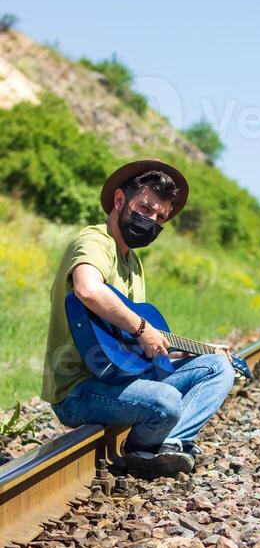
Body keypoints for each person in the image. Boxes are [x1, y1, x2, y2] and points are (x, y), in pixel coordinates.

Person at [41, 158, 235, 477]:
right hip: (79, 388)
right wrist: (144, 327)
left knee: (219, 366)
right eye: (145, 208)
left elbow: (130, 345)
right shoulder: (94, 241)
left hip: (119, 376)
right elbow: (88, 290)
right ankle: (144, 448)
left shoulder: (133, 262)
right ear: (120, 201)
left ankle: (168, 444)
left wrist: (192, 348)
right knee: (168, 401)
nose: (152, 220)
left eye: (161, 217)